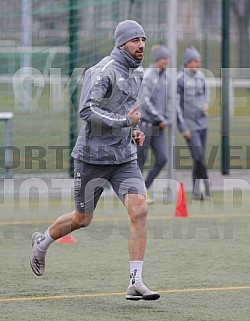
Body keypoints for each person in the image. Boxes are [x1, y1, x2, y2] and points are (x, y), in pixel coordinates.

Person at [30, 20, 160, 301]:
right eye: (135, 40)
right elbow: (87, 111)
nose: (141, 45)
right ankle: (42, 243)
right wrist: (126, 121)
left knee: (140, 211)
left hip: (123, 158)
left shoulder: (136, 74)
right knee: (82, 219)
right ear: (121, 43)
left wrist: (133, 130)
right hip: (92, 158)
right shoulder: (103, 71)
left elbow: (126, 113)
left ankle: (135, 281)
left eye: (143, 39)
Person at [137, 45, 172, 204]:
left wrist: (167, 118)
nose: (166, 61)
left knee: (162, 158)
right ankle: (138, 193)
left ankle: (145, 187)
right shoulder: (149, 75)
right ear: (157, 59)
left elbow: (170, 101)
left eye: (167, 58)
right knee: (140, 160)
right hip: (146, 125)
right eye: (163, 58)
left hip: (159, 127)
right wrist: (159, 117)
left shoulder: (166, 77)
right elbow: (144, 101)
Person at [176, 46, 211, 199]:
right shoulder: (179, 79)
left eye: (199, 61)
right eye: (196, 61)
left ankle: (197, 193)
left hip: (203, 124)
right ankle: (208, 188)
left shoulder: (201, 76)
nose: (198, 64)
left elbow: (206, 92)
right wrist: (183, 127)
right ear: (188, 62)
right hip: (190, 126)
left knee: (198, 158)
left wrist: (206, 103)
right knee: (199, 157)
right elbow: (176, 106)